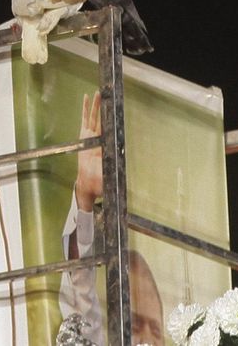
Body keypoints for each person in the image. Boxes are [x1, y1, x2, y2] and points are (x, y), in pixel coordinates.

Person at [58, 92, 165, 346]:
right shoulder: (95, 332)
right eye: (135, 324)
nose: (148, 341)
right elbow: (81, 308)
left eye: (156, 331)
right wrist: (84, 196)